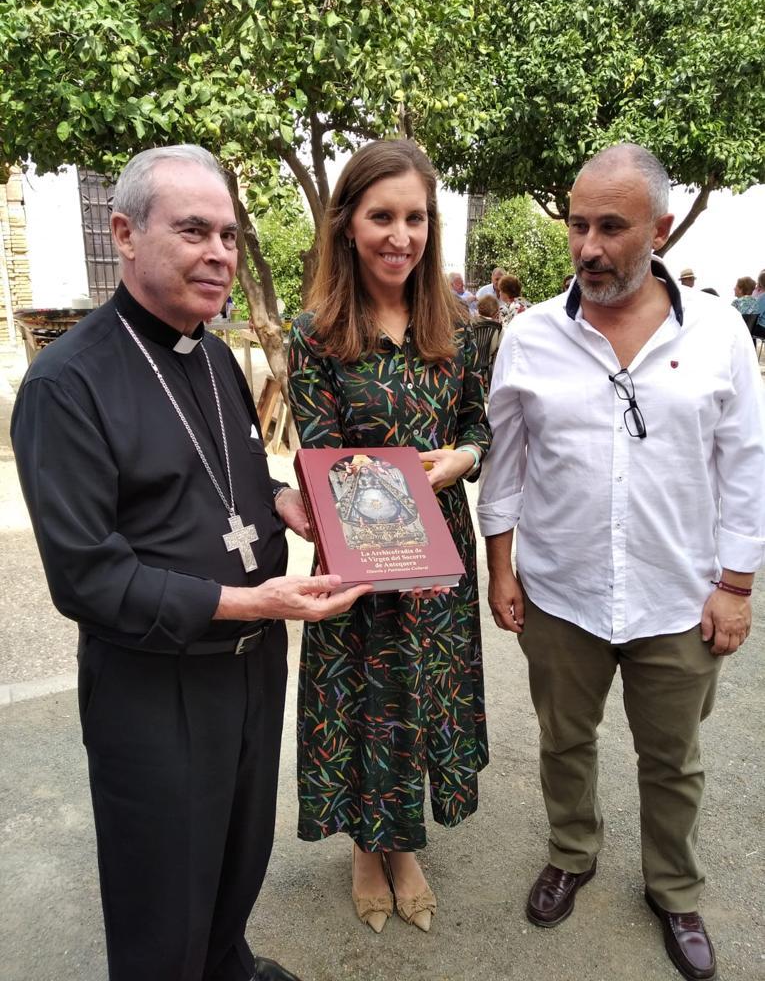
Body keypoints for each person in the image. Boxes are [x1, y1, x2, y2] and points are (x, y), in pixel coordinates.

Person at [11, 145, 371, 981]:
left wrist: (283, 500)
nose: (219, 252)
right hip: (154, 682)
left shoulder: (212, 355)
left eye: (229, 235)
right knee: (160, 893)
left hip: (248, 673)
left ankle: (227, 966)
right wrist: (256, 604)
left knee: (235, 859)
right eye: (194, 231)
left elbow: (226, 486)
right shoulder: (66, 385)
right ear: (126, 234)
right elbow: (87, 580)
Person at [477, 143, 765, 981]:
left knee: (672, 757)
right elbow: (507, 462)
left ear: (660, 230)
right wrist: (501, 566)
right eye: (577, 225)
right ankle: (573, 850)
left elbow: (743, 465)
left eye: (612, 227)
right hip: (560, 589)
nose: (589, 247)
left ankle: (673, 890)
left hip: (676, 597)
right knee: (566, 739)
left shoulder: (714, 332)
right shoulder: (529, 336)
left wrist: (735, 586)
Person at [287, 139, 491, 936]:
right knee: (363, 701)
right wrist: (385, 480)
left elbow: (478, 421)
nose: (398, 235)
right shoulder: (316, 334)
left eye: (413, 217)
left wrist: (462, 457)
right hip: (360, 547)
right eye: (381, 216)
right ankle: (364, 853)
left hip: (439, 551)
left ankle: (402, 846)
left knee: (416, 698)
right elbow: (318, 448)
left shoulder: (458, 328)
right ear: (346, 224)